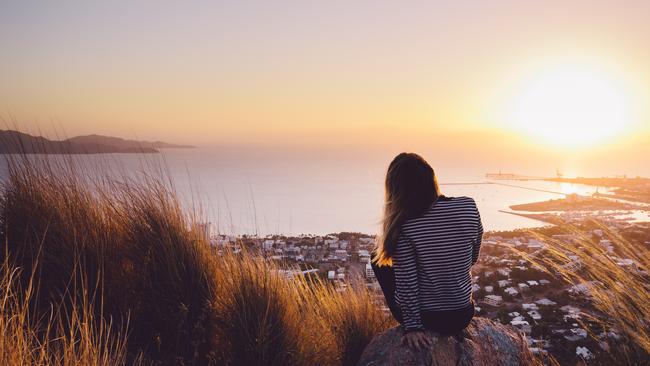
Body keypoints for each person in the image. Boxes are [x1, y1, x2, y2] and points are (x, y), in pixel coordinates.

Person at [372, 152, 483, 350]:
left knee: (376, 259)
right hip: (463, 313)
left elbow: (407, 282)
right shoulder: (469, 206)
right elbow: (472, 257)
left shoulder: (404, 225)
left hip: (428, 319)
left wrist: (413, 327)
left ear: (396, 189)